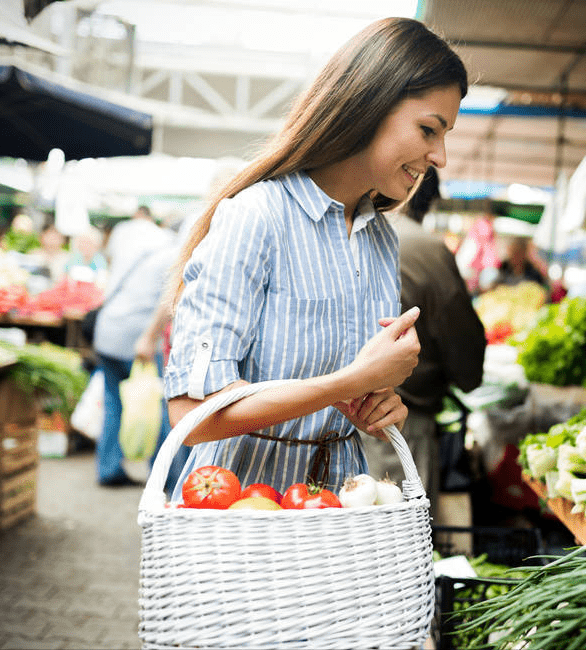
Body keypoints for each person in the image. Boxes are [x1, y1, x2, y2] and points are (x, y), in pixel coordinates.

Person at [162, 17, 467, 497]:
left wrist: (380, 404)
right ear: (371, 103)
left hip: (337, 510)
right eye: (429, 129)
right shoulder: (256, 216)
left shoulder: (381, 239)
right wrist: (352, 380)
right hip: (242, 511)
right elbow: (191, 416)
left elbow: (352, 390)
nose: (441, 156)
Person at [363, 168, 485, 517]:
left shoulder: (356, 228)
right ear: (428, 198)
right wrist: (467, 377)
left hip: (338, 410)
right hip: (398, 421)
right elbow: (463, 344)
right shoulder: (426, 246)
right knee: (397, 536)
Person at [93, 218, 176, 486]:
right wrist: (150, 337)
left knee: (114, 403)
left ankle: (108, 469)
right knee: (160, 403)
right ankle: (163, 475)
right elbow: (168, 301)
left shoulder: (124, 251)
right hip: (138, 338)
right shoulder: (170, 254)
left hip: (106, 333)